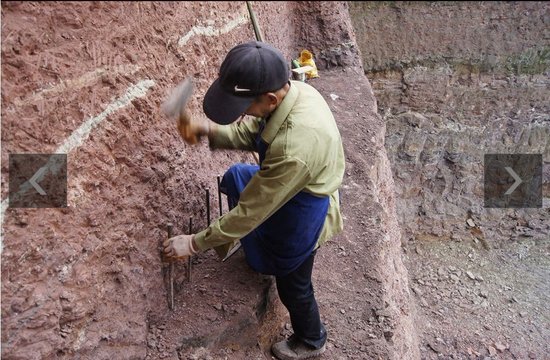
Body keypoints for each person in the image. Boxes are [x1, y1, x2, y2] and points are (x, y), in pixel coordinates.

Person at [163, 41, 345, 360]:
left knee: (293, 282)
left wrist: (194, 243)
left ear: (270, 98)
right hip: (288, 181)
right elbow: (253, 133)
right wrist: (207, 130)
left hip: (305, 204)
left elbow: (251, 211)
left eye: (243, 105)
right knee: (237, 175)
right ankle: (249, 245)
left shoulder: (294, 148)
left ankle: (311, 340)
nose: (241, 112)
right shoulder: (294, 92)